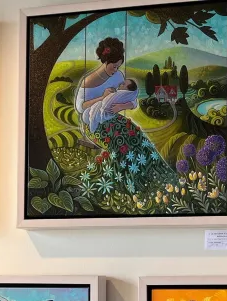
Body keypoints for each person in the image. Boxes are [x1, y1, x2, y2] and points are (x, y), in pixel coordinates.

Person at [74, 37, 176, 195]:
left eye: (118, 66)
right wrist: (102, 98)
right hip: (93, 123)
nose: (116, 70)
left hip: (113, 118)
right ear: (105, 61)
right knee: (122, 143)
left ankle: (155, 173)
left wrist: (122, 106)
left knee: (137, 135)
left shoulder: (118, 77)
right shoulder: (88, 82)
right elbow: (80, 107)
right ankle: (127, 182)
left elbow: (131, 99)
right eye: (114, 66)